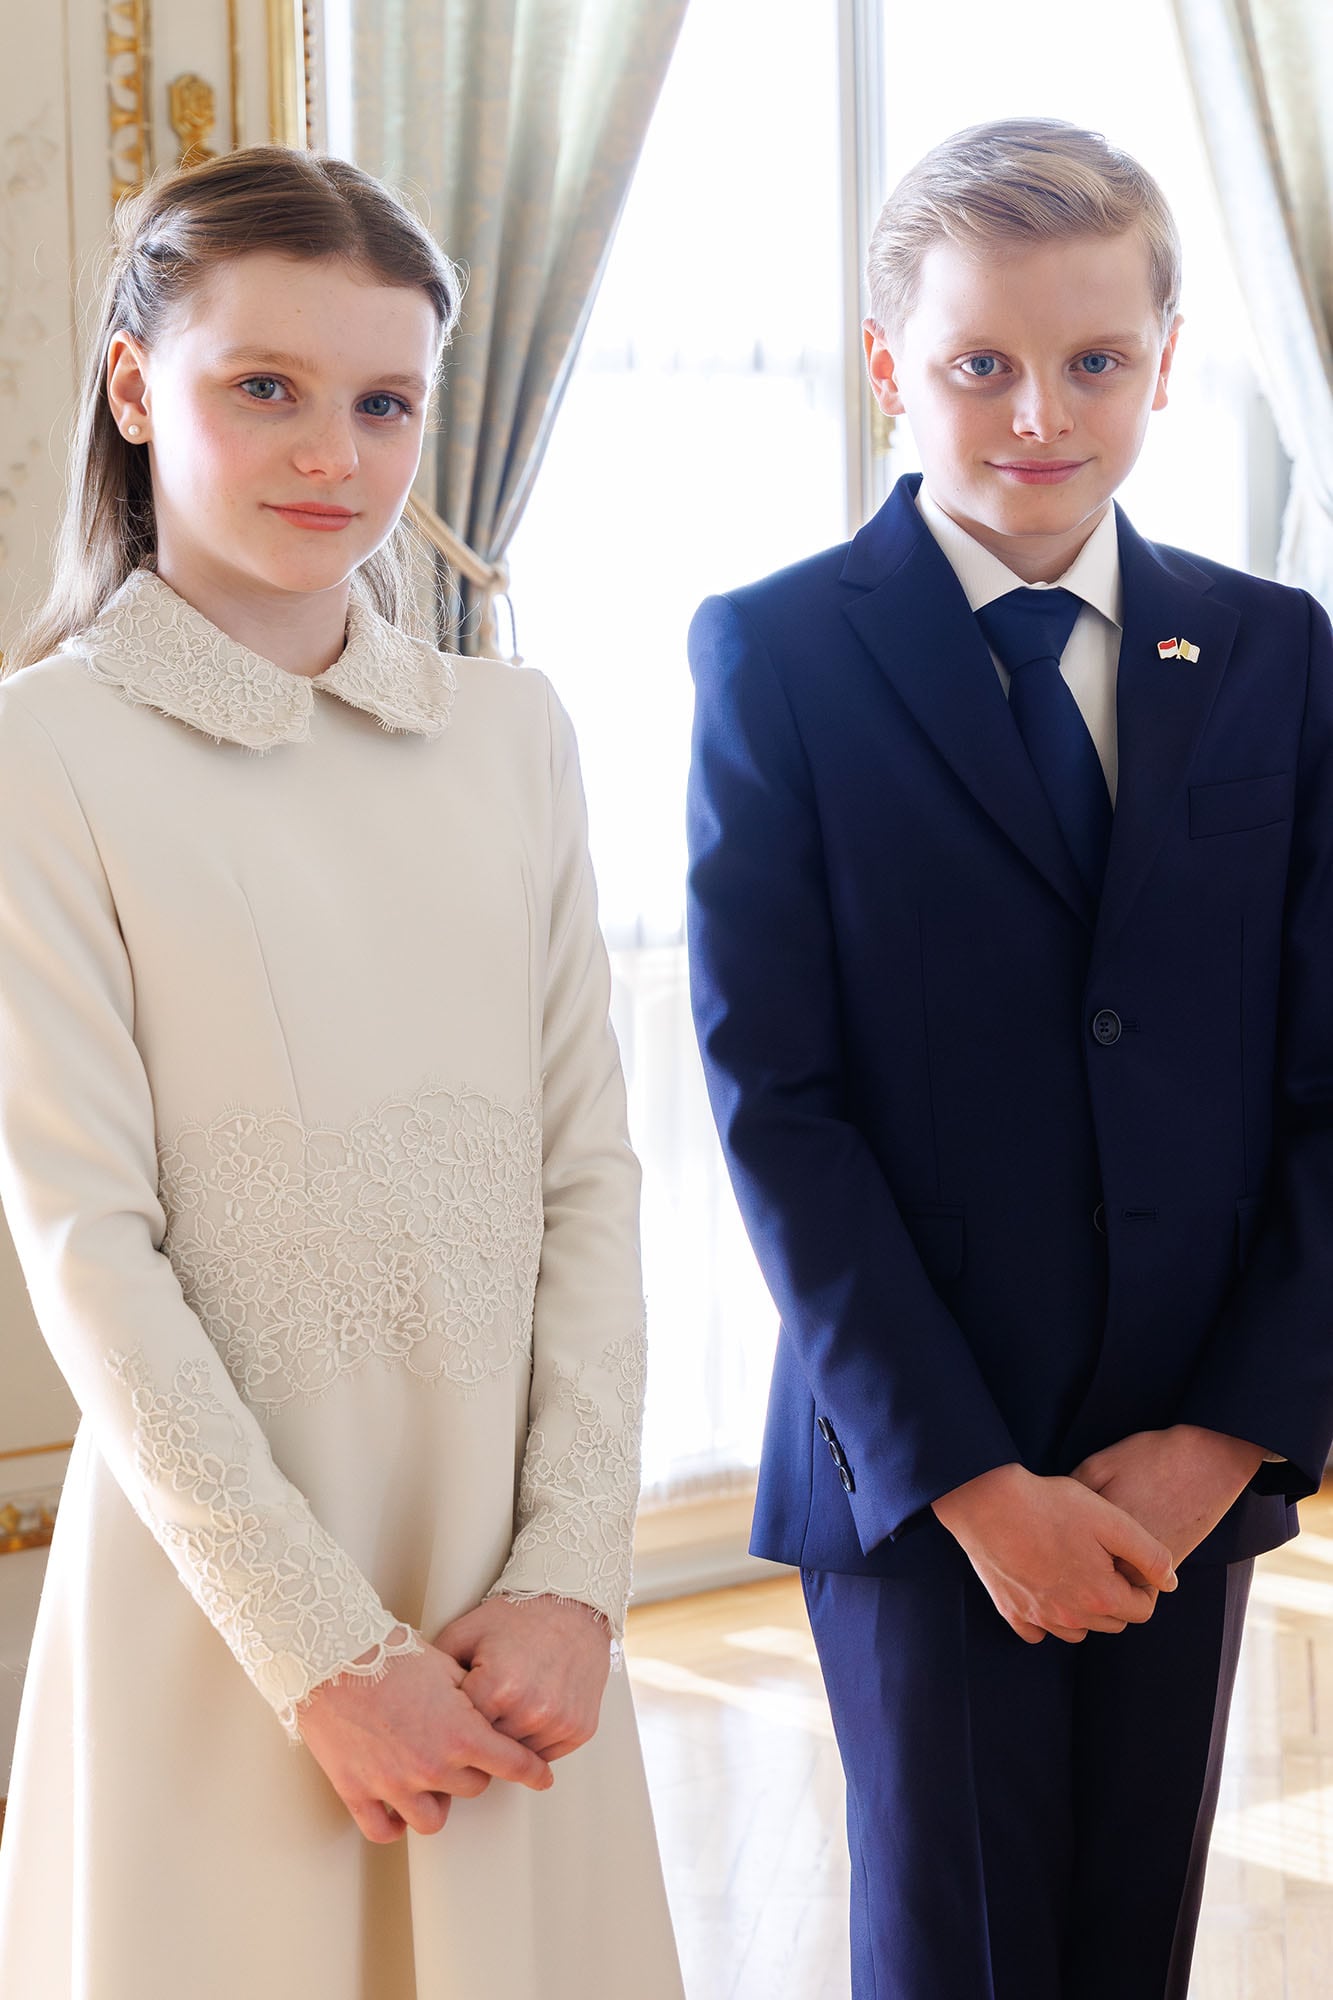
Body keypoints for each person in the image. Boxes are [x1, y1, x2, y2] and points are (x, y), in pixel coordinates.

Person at [0, 145, 683, 2000]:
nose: (334, 455)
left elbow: (588, 1183)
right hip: (227, 1616)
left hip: (508, 1614)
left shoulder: (510, 733)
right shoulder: (45, 755)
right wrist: (322, 1653)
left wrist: (570, 1577)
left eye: (384, 402)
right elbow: (85, 1247)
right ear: (139, 394)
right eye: (265, 390)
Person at [686, 117, 1333, 2000]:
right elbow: (774, 1101)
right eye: (978, 362)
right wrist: (969, 1481)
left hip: (1182, 1463)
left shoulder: (1274, 654)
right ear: (893, 368)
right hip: (919, 1477)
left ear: (1164, 362)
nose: (1035, 411)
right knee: (958, 1953)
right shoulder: (779, 655)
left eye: (1091, 361)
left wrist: (1226, 1434)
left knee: (1131, 1945)